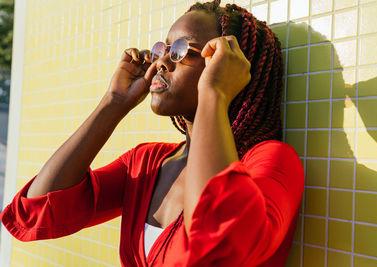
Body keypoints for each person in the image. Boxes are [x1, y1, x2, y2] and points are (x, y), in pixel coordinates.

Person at [0, 1, 304, 266]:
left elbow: (221, 245)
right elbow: (36, 212)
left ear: (230, 69)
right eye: (164, 48)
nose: (161, 62)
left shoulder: (272, 161)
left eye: (182, 50)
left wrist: (214, 93)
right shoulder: (146, 162)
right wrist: (113, 103)